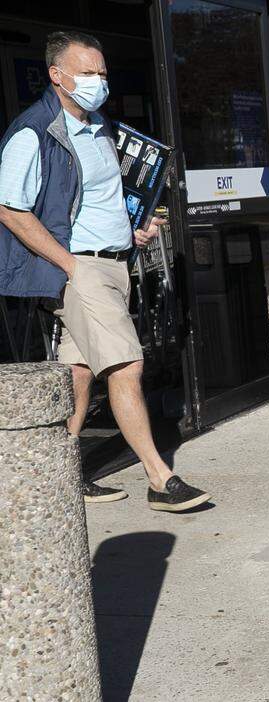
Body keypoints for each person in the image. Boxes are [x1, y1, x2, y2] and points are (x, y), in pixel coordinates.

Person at [0, 31, 210, 511]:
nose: (99, 81)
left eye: (103, 72)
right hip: (81, 270)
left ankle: (59, 473)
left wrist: (130, 233)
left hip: (116, 265)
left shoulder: (99, 126)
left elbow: (96, 200)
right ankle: (161, 480)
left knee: (79, 371)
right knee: (126, 364)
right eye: (88, 72)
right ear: (58, 76)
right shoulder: (34, 132)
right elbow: (11, 209)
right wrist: (71, 264)